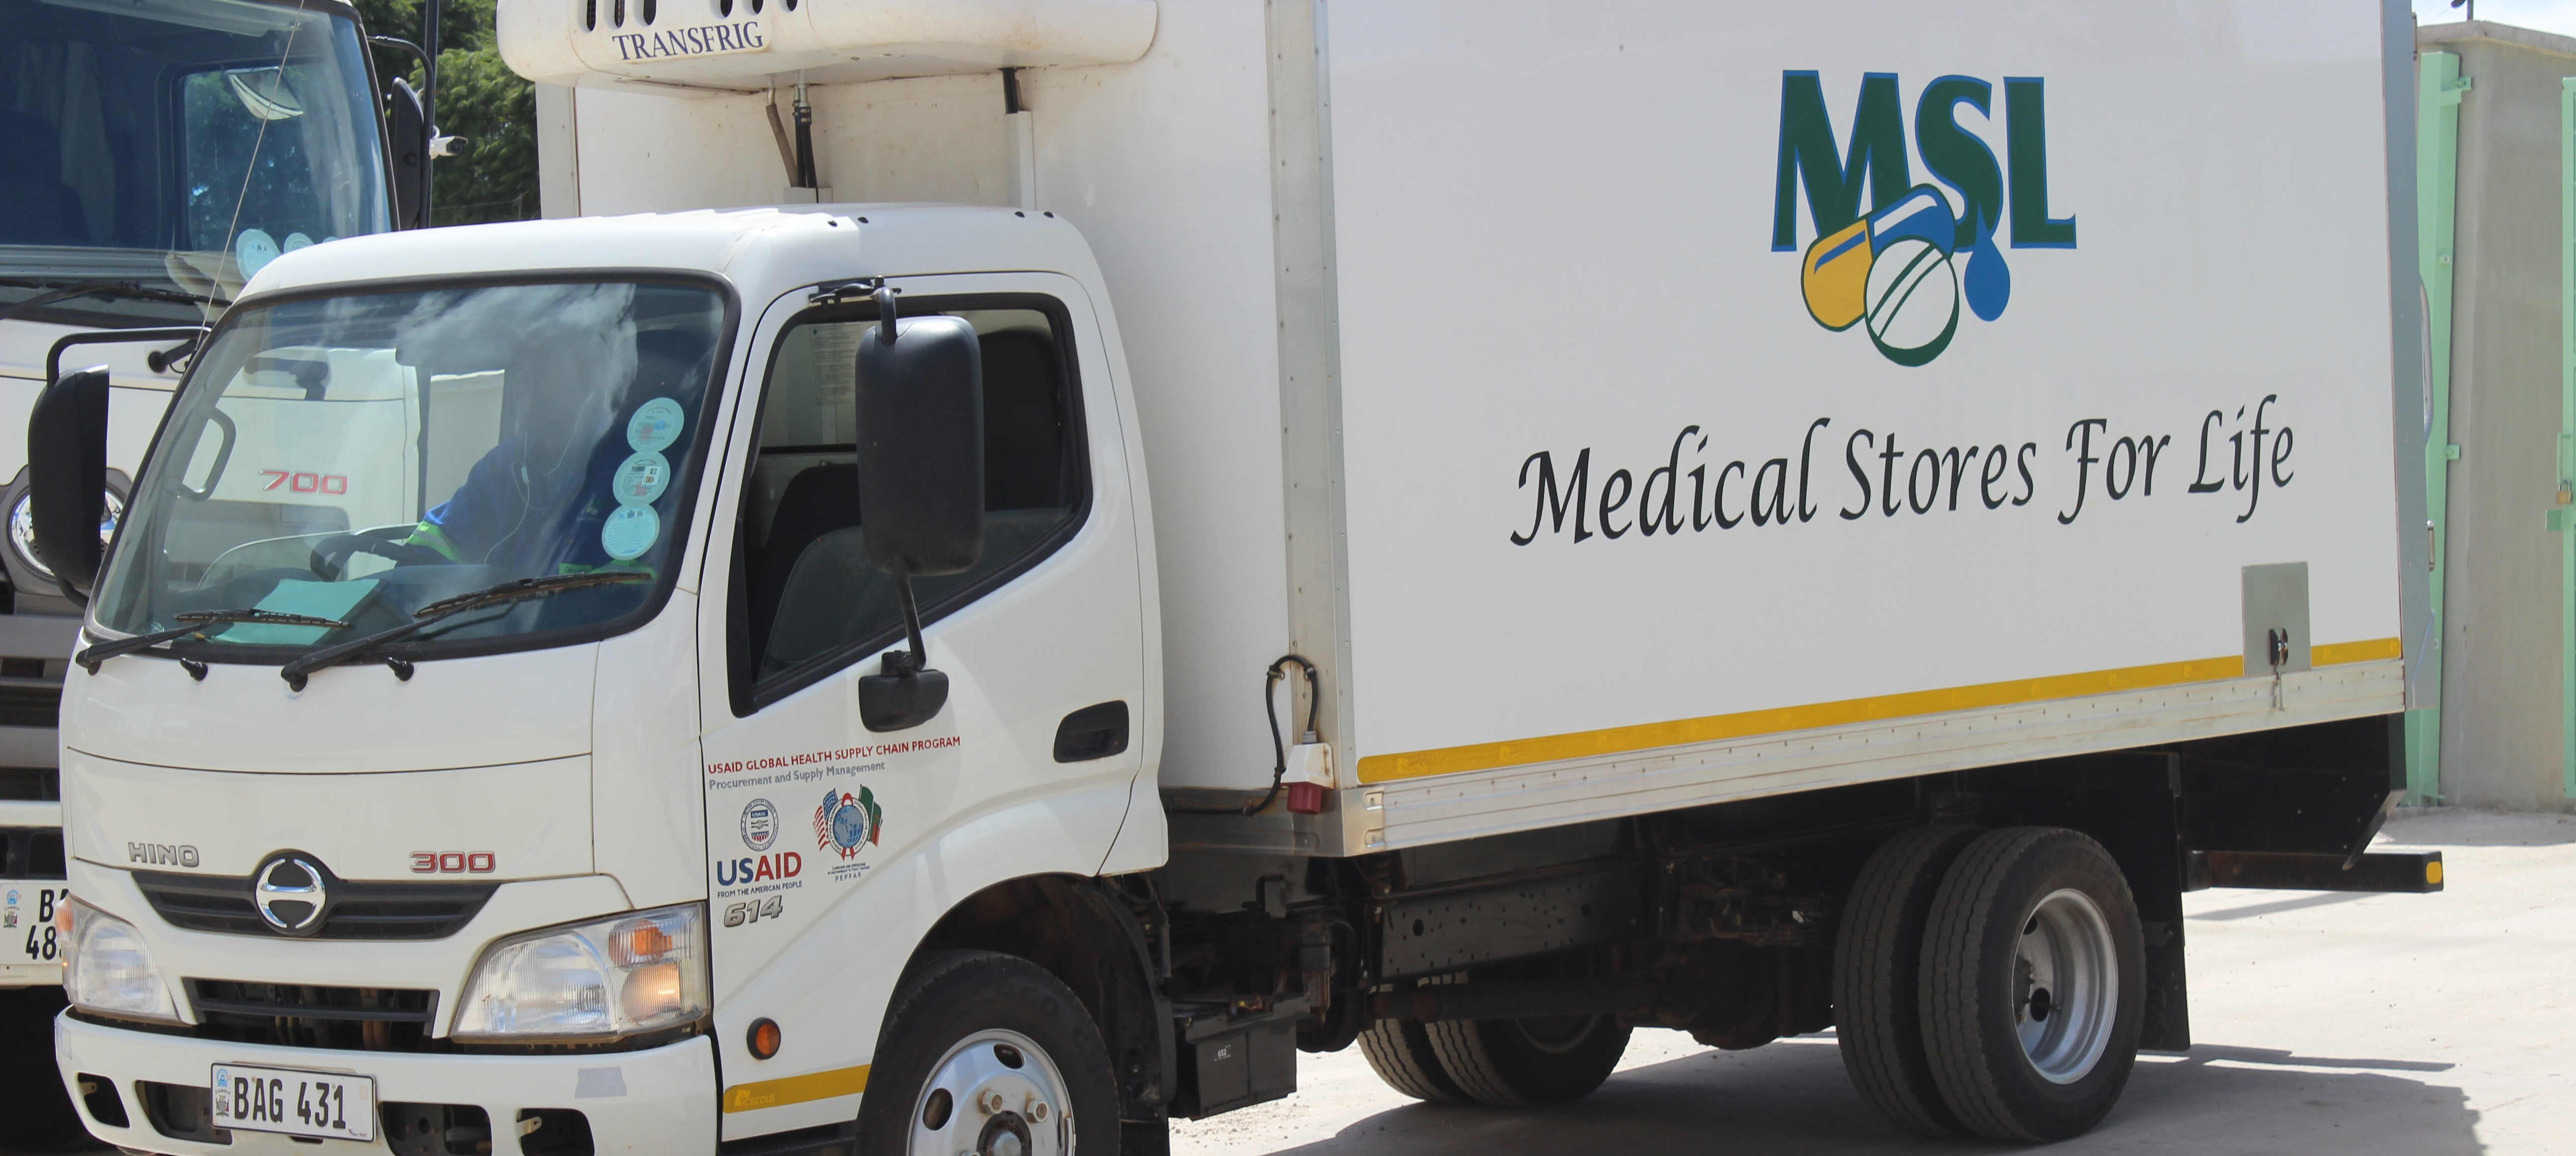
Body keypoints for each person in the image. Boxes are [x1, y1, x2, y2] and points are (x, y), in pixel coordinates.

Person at [402, 331, 699, 576]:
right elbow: (436, 542)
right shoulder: (503, 465)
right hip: (493, 631)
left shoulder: (636, 468)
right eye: (519, 364)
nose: (523, 377)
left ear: (591, 376)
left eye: (541, 362)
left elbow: (632, 593)